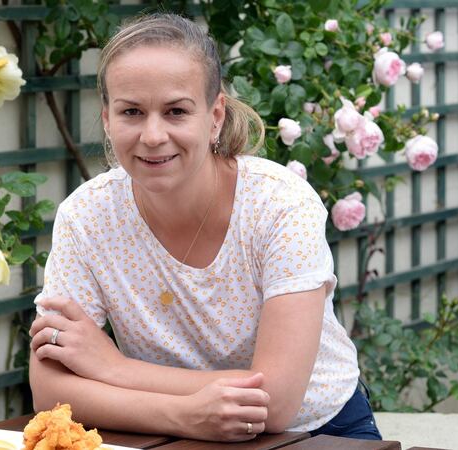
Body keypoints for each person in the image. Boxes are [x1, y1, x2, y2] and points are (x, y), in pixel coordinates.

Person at [29, 13, 381, 442]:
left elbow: (275, 400)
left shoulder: (279, 204)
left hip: (317, 432)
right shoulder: (86, 218)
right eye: (132, 112)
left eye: (176, 111)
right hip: (171, 434)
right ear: (107, 118)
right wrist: (183, 415)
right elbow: (49, 390)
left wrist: (112, 368)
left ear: (214, 116)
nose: (153, 135)